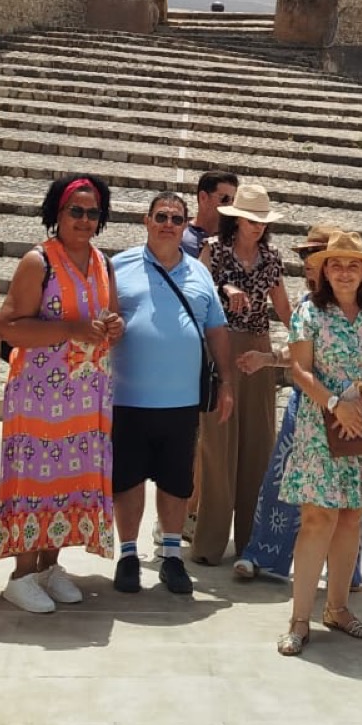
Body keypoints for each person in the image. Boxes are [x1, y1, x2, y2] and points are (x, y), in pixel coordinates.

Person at [0, 173, 123, 614]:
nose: (84, 220)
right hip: (38, 398)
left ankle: (49, 567)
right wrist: (70, 329)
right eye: (75, 211)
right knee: (33, 480)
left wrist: (115, 326)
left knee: (69, 480)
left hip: (85, 396)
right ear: (58, 213)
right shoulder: (38, 261)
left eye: (92, 212)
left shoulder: (103, 263)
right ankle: (21, 574)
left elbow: (110, 316)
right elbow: (8, 326)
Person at [274, 231, 362, 656]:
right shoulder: (308, 313)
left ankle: (338, 608)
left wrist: (359, 405)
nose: (344, 272)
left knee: (351, 516)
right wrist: (335, 405)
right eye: (336, 264)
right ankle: (299, 618)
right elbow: (300, 370)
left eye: (352, 265)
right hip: (320, 425)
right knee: (317, 518)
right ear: (324, 271)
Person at [111, 191, 234, 594]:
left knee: (176, 483)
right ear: (146, 221)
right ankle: (128, 555)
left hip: (181, 401)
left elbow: (216, 330)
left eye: (176, 219)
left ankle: (171, 556)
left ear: (185, 226)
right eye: (161, 216)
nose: (168, 224)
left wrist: (227, 383)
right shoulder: (118, 266)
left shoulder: (199, 273)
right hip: (127, 398)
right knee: (127, 480)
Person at [233, 223, 362, 590]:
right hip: (307, 407)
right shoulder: (308, 304)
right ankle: (265, 554)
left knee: (346, 494)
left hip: (346, 411)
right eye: (306, 255)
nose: (307, 261)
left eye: (315, 254)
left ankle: (345, 571)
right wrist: (267, 359)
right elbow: (299, 355)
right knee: (283, 480)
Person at [192, 182, 293, 566]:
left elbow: (284, 308)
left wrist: (308, 342)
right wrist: (225, 287)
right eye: (251, 219)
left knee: (257, 445)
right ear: (236, 220)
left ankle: (252, 543)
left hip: (258, 351)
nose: (257, 225)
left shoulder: (272, 258)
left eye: (262, 220)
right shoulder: (213, 250)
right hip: (220, 348)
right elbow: (197, 293)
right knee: (217, 446)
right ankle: (209, 542)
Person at [183, 170, 239, 261]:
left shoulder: (236, 241)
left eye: (233, 200)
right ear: (203, 198)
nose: (230, 206)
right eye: (225, 199)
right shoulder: (179, 238)